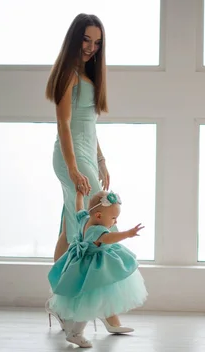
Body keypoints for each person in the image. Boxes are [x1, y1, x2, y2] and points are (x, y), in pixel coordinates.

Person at [44, 13, 134, 334]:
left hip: (86, 155)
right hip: (71, 157)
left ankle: (62, 304)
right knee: (98, 221)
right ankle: (104, 311)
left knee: (71, 230)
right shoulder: (68, 74)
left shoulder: (90, 76)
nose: (91, 48)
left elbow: (89, 127)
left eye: (97, 42)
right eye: (86, 40)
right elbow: (64, 125)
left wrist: (102, 159)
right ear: (74, 39)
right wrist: (73, 167)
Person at [46, 190, 148, 348]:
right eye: (113, 218)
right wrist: (128, 234)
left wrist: (79, 196)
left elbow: (79, 208)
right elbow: (109, 238)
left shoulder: (85, 218)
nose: (115, 222)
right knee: (89, 302)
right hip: (93, 269)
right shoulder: (97, 230)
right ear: (99, 216)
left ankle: (81, 329)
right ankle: (76, 334)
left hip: (82, 264)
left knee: (94, 301)